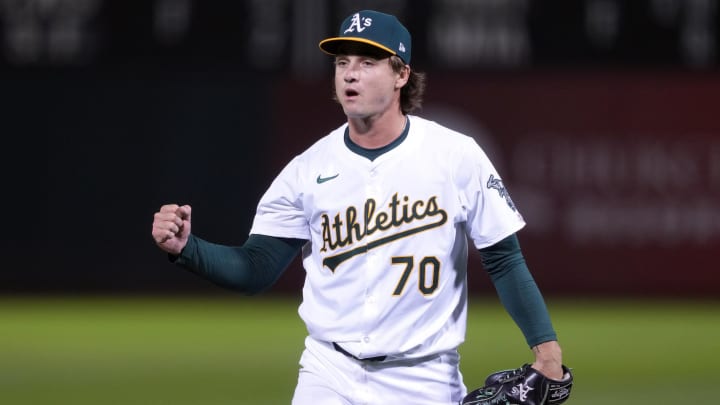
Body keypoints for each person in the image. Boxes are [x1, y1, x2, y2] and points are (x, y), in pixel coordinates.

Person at [152, 9, 567, 405]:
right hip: (328, 372)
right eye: (342, 62)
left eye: (368, 62)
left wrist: (546, 351)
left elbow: (504, 260)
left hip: (426, 377)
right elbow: (255, 268)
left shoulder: (456, 156)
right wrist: (188, 249)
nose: (350, 73)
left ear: (402, 73)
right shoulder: (307, 169)